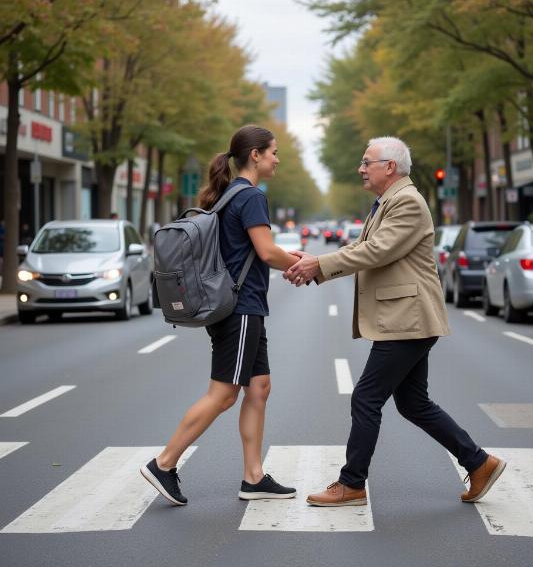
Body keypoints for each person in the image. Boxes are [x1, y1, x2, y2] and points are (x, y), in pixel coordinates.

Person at [285, 136, 506, 507]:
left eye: (366, 161)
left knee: (366, 397)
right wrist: (316, 263)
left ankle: (352, 483)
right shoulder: (387, 202)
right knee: (413, 403)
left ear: (389, 166)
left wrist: (318, 265)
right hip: (406, 317)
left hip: (408, 319)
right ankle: (479, 462)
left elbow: (376, 251)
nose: (360, 168)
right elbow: (361, 249)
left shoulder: (406, 202)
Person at [141, 125, 300, 506]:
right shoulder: (251, 197)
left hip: (244, 307)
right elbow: (266, 251)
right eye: (274, 152)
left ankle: (253, 477)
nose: (278, 158)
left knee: (258, 388)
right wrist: (303, 264)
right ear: (256, 155)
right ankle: (164, 463)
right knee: (224, 393)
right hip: (240, 309)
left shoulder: (231, 194)